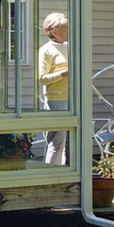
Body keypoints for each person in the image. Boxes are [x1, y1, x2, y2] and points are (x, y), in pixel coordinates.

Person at [37, 12, 70, 166]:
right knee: (56, 143)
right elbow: (42, 78)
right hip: (56, 101)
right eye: (64, 30)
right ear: (53, 32)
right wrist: (62, 74)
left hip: (73, 98)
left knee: (69, 144)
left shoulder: (69, 47)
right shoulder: (47, 50)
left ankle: (66, 173)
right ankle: (51, 173)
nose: (67, 33)